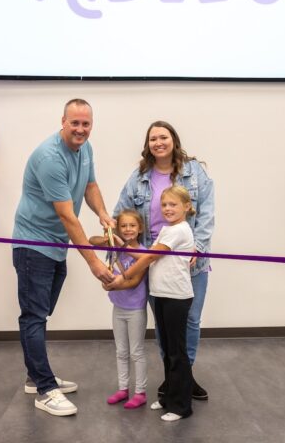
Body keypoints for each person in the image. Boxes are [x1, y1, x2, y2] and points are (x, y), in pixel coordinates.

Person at [12, 98, 115, 417]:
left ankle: (35, 375)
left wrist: (103, 214)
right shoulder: (50, 158)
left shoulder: (86, 149)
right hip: (32, 244)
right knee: (34, 315)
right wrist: (95, 263)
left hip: (56, 244)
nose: (81, 129)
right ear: (63, 122)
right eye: (75, 123)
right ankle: (44, 389)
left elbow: (91, 185)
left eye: (86, 124)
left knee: (42, 310)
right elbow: (69, 217)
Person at [112, 120, 214, 400]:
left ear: (173, 140)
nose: (159, 142)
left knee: (190, 320)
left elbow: (206, 213)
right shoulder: (139, 176)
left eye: (163, 137)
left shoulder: (194, 172)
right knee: (164, 324)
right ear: (148, 145)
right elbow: (120, 213)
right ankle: (172, 376)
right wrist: (118, 244)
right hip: (152, 262)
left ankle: (185, 375)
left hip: (189, 260)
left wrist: (198, 248)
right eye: (153, 139)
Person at [105, 186, 195, 421]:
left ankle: (180, 406)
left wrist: (124, 277)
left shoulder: (179, 231)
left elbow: (149, 257)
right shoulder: (167, 230)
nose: (167, 209)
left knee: (177, 353)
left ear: (186, 206)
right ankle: (168, 397)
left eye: (173, 204)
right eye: (164, 205)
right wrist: (123, 248)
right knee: (167, 351)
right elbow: (145, 255)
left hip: (177, 297)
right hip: (162, 295)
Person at [89, 209, 148, 409]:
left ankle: (140, 392)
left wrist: (111, 285)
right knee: (121, 351)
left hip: (135, 310)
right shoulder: (116, 247)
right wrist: (109, 236)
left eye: (132, 225)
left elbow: (134, 281)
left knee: (136, 352)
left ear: (140, 229)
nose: (128, 229)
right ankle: (123, 389)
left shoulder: (142, 253)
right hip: (118, 308)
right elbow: (90, 240)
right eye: (124, 226)